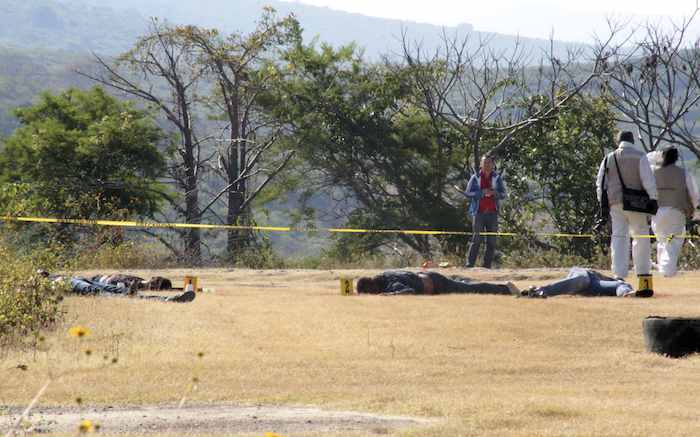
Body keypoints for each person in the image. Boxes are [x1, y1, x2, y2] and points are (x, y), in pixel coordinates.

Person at [596, 131, 658, 279]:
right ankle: (642, 272)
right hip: (637, 203)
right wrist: (654, 198)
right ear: (632, 141)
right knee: (641, 237)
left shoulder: (609, 158)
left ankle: (619, 275)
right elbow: (648, 180)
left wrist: (603, 204)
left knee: (618, 238)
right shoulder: (640, 156)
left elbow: (600, 184)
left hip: (615, 203)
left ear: (618, 141)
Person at [649, 146, 699, 277]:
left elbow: (646, 160)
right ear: (676, 158)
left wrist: (656, 156)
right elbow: (694, 195)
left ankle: (662, 268)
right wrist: (695, 211)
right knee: (672, 241)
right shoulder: (683, 173)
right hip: (676, 213)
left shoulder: (654, 171)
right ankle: (667, 271)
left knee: (663, 240)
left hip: (658, 213)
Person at [462, 155, 507, 268]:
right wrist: (481, 192)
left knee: (491, 242)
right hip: (479, 213)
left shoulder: (497, 178)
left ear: (493, 165)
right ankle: (469, 265)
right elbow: (467, 193)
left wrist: (494, 193)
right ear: (481, 165)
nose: (487, 165)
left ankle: (486, 266)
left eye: (489, 163)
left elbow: (503, 194)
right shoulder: (475, 177)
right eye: (485, 163)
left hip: (493, 213)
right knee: (476, 240)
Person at [38, 271, 195, 303]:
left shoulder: (49, 275)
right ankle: (169, 299)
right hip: (68, 283)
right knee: (96, 291)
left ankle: (171, 298)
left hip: (76, 279)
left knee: (120, 291)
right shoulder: (39, 283)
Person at [356, 270, 519, 295]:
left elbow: (408, 292)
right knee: (466, 286)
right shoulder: (384, 275)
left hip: (436, 283)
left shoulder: (389, 283)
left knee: (470, 289)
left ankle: (505, 288)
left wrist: (388, 295)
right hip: (430, 279)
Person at [521, 267, 652, 298]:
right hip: (586, 275)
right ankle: (540, 290)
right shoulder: (580, 270)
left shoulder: (617, 282)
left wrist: (623, 285)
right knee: (581, 279)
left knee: (621, 285)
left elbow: (618, 282)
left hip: (593, 284)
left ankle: (628, 294)